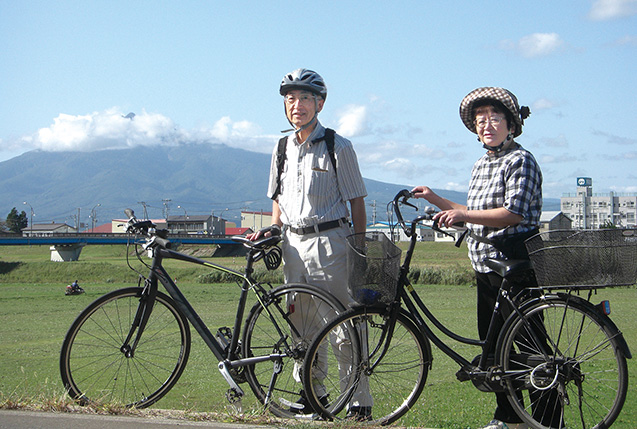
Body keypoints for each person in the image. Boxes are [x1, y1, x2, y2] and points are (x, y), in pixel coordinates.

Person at [412, 87, 559, 429]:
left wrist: (465, 217)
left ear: (511, 124)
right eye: (481, 121)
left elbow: (513, 213)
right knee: (494, 350)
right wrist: (435, 199)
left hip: (515, 261)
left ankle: (549, 420)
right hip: (485, 265)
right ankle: (509, 417)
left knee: (528, 347)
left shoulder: (520, 160)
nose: (487, 125)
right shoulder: (481, 163)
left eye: (494, 119)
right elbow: (472, 211)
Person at [249, 68, 371, 419]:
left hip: (332, 241)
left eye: (304, 98)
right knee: (300, 324)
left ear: (320, 102)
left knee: (344, 322)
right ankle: (312, 392)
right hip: (292, 244)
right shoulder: (281, 147)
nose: (296, 105)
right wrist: (273, 229)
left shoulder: (338, 146)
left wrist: (358, 248)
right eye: (290, 99)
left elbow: (357, 201)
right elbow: (277, 198)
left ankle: (358, 400)